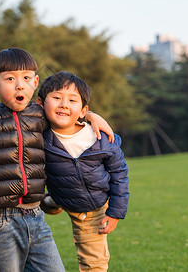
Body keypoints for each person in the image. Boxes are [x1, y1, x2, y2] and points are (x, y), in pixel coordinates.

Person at [0, 48, 113, 272]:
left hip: (35, 216)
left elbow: (66, 113)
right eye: (10, 79)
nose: (19, 85)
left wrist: (92, 115)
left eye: (26, 78)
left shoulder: (39, 115)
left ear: (35, 82)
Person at [36, 71, 129, 272]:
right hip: (62, 191)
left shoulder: (101, 139)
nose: (64, 104)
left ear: (83, 110)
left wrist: (114, 213)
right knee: (49, 201)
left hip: (91, 206)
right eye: (57, 98)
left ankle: (54, 202)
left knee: (93, 263)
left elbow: (120, 175)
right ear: (40, 104)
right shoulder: (39, 136)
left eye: (72, 100)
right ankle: (52, 202)